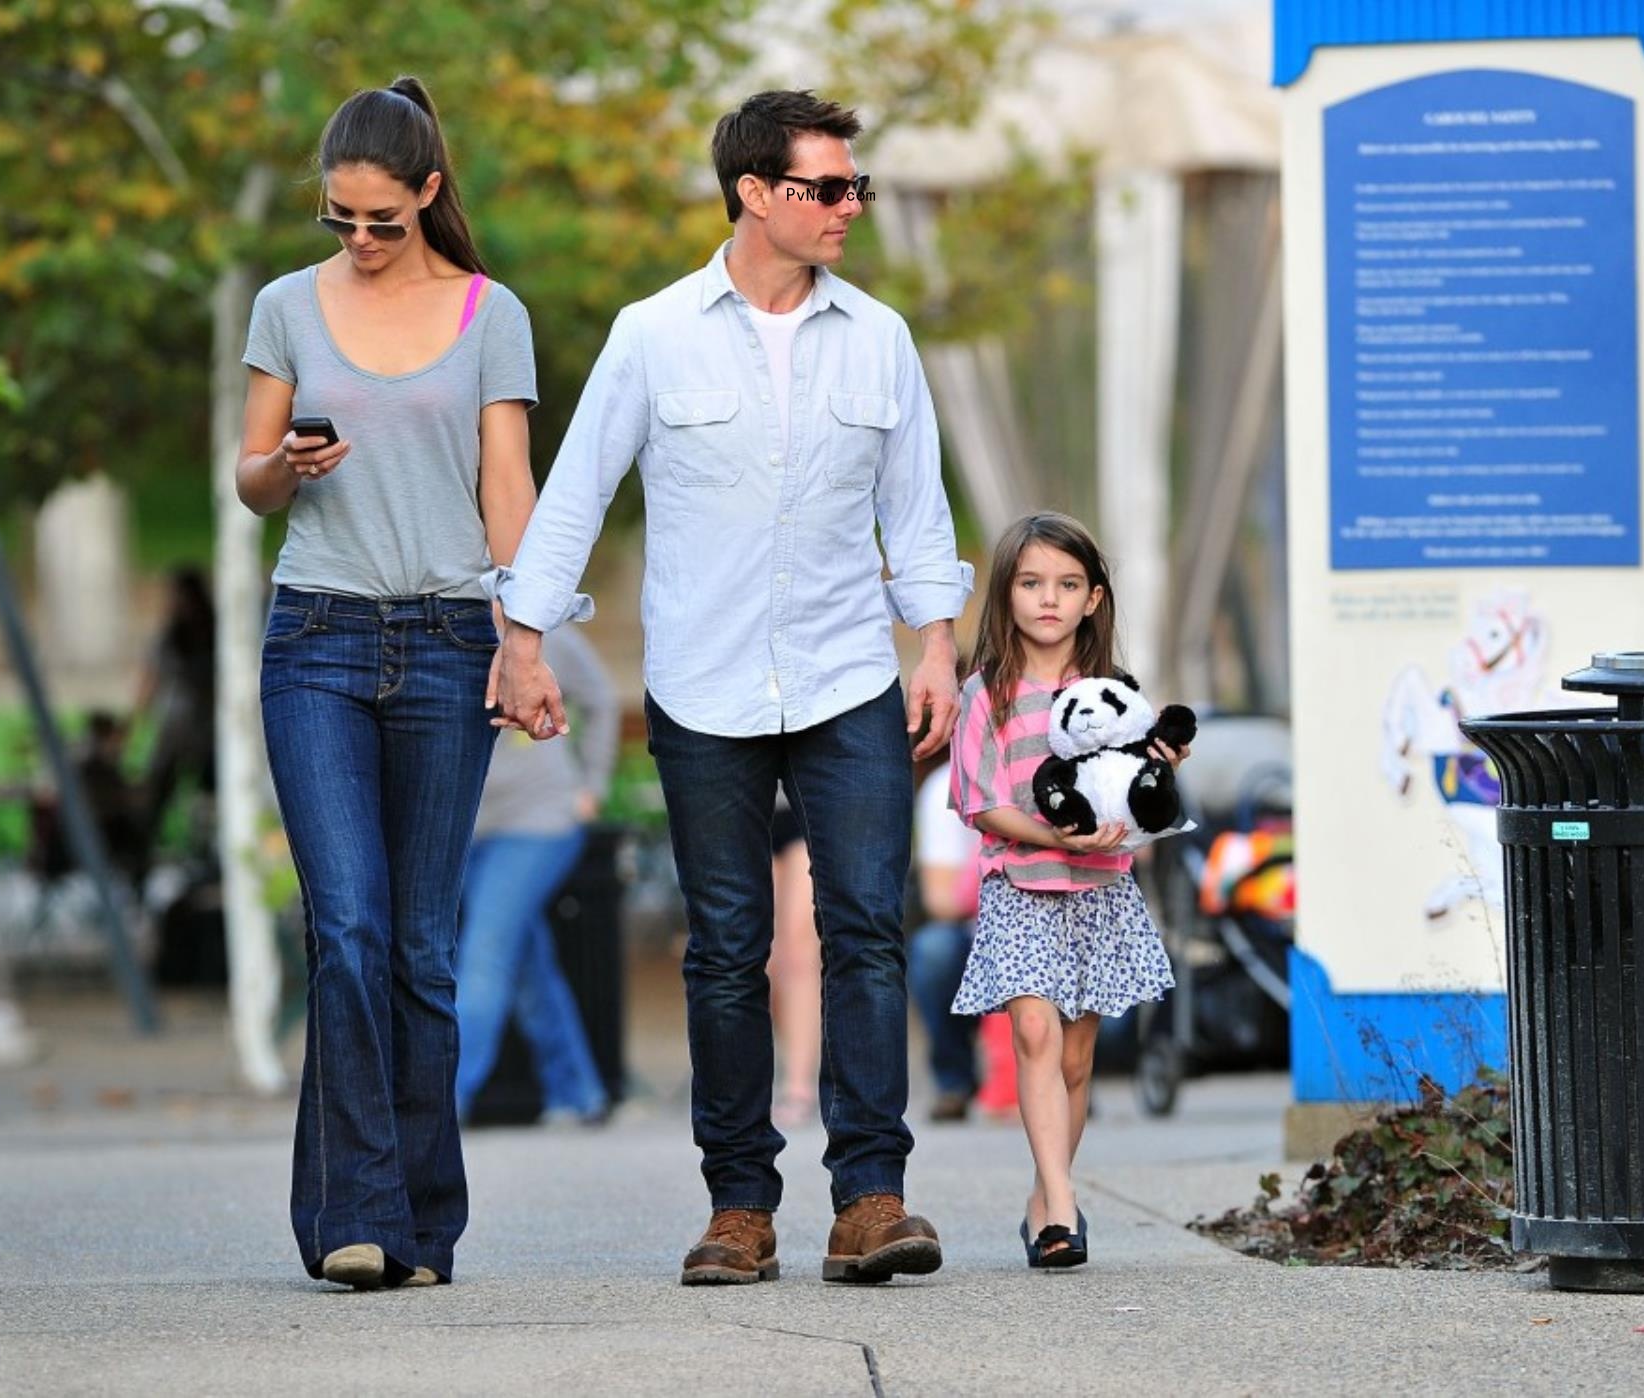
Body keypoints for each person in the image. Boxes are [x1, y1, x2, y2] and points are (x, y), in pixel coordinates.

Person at [492, 90, 973, 1287]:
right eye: (829, 187)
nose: (851, 207)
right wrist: (526, 640)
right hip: (703, 689)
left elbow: (915, 512)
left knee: (865, 929)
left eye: (857, 185)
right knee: (724, 949)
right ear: (757, 193)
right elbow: (574, 497)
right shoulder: (652, 334)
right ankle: (739, 1208)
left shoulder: (881, 339)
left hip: (850, 674)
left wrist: (938, 646)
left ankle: (871, 1198)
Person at [233, 76, 538, 1290]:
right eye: (337, 220)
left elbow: (505, 485)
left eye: (381, 220)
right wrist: (287, 465)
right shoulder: (282, 309)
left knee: (420, 949)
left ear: (428, 194)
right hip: (317, 638)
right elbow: (248, 478)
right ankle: (359, 1219)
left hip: (452, 640)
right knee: (347, 929)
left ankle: (421, 1225)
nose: (358, 242)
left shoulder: (490, 313)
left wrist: (527, 638)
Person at [948, 512, 1186, 1269]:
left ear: (1093, 598)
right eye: (1031, 583)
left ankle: (1042, 1197)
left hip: (1099, 891)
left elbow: (1141, 787)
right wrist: (1054, 834)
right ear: (1006, 594)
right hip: (1020, 884)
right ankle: (1064, 1207)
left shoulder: (1113, 694)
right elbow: (976, 799)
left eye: (1067, 584)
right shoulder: (985, 693)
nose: (1048, 599)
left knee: (1078, 1060)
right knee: (1034, 1035)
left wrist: (1160, 769)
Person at [455, 623, 617, 1124]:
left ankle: (440, 1104)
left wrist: (591, 785)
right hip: (464, 829)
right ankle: (577, 1092)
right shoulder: (444, 621)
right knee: (523, 960)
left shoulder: (544, 629)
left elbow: (602, 699)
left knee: (484, 952)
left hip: (538, 822)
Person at [908, 759, 981, 1122]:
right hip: (976, 929)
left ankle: (1070, 1079)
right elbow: (940, 900)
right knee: (933, 949)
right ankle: (954, 1079)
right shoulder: (947, 788)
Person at [135, 566, 216, 850]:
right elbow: (150, 680)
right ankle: (146, 847)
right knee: (157, 792)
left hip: (208, 733)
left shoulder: (214, 636)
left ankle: (205, 847)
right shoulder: (170, 636)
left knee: (209, 795)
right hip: (174, 730)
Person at [766, 790, 821, 1131]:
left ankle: (798, 1086)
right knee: (765, 957)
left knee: (799, 949)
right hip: (744, 786)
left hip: (805, 792)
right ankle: (776, 1070)